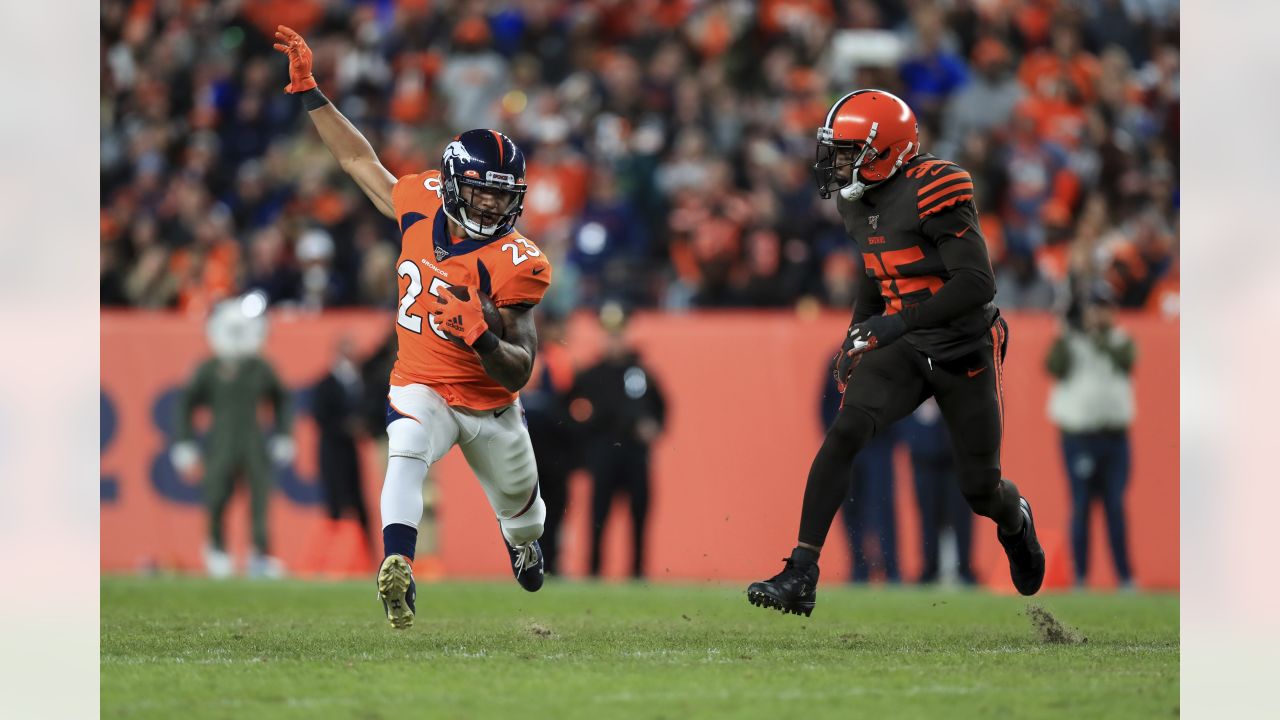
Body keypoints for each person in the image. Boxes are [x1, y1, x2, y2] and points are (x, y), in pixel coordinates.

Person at [275, 27, 553, 630]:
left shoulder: (519, 260)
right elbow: (356, 160)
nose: (489, 209)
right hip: (422, 382)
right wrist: (310, 91)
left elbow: (522, 367)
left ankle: (523, 542)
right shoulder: (420, 199)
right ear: (451, 185)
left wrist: (482, 336)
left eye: (500, 198)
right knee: (403, 451)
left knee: (525, 517)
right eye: (479, 195)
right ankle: (397, 562)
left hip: (489, 405)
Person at [748, 89, 1045, 617]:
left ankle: (1015, 519)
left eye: (847, 151)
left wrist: (892, 323)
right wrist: (859, 330)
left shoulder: (936, 185)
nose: (836, 164)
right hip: (905, 342)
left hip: (962, 345)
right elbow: (875, 266)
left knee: (980, 488)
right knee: (845, 431)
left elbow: (977, 283)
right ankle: (802, 570)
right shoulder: (856, 197)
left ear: (883, 149)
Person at [171, 293, 293, 579]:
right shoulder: (210, 368)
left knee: (260, 499)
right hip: (220, 441)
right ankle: (216, 550)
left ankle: (259, 554)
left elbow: (282, 399)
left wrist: (284, 435)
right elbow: (186, 403)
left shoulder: (260, 367)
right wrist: (184, 441)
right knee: (215, 496)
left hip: (254, 441)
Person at [569, 304, 666, 579]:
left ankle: (637, 572)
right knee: (598, 517)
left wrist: (653, 427)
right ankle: (594, 571)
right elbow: (572, 412)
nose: (614, 341)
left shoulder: (642, 373)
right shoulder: (590, 375)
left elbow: (661, 409)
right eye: (609, 335)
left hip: (636, 455)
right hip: (603, 453)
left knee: (639, 515)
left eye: (618, 334)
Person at [1046, 295, 1136, 589]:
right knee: (1081, 505)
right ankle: (1080, 577)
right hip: (1079, 436)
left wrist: (1097, 334)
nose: (1096, 315)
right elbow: (1053, 366)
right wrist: (1064, 332)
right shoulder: (1070, 341)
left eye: (1102, 309)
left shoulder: (1121, 340)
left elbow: (1126, 361)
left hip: (1114, 437)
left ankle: (1125, 577)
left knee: (1114, 505)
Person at [820, 368, 900, 584]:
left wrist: (890, 436)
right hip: (848, 447)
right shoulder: (837, 360)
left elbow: (899, 399)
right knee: (850, 507)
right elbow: (825, 405)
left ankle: (891, 568)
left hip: (878, 445)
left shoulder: (887, 357)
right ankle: (859, 567)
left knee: (882, 506)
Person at [521, 313, 578, 576]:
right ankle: (541, 563)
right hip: (540, 448)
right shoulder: (554, 360)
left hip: (545, 450)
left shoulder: (532, 357)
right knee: (542, 509)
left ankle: (545, 563)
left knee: (547, 509)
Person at [310, 335, 374, 565]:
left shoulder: (358, 382)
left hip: (350, 453)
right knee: (334, 505)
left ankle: (366, 558)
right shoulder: (326, 384)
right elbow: (321, 417)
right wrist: (345, 427)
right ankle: (329, 560)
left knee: (359, 504)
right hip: (332, 451)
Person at [900, 399, 976, 586]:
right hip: (923, 452)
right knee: (928, 513)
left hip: (956, 453)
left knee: (960, 513)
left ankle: (964, 568)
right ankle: (929, 568)